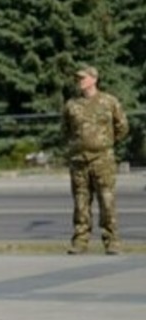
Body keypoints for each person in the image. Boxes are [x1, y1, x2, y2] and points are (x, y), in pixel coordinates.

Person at [62, 64, 129, 255]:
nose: (79, 81)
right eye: (77, 78)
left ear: (94, 79)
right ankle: (80, 241)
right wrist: (76, 147)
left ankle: (112, 240)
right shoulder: (71, 105)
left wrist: (105, 143)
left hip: (102, 160)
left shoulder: (109, 102)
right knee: (81, 202)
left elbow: (122, 126)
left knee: (107, 201)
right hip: (78, 161)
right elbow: (65, 131)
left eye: (83, 78)